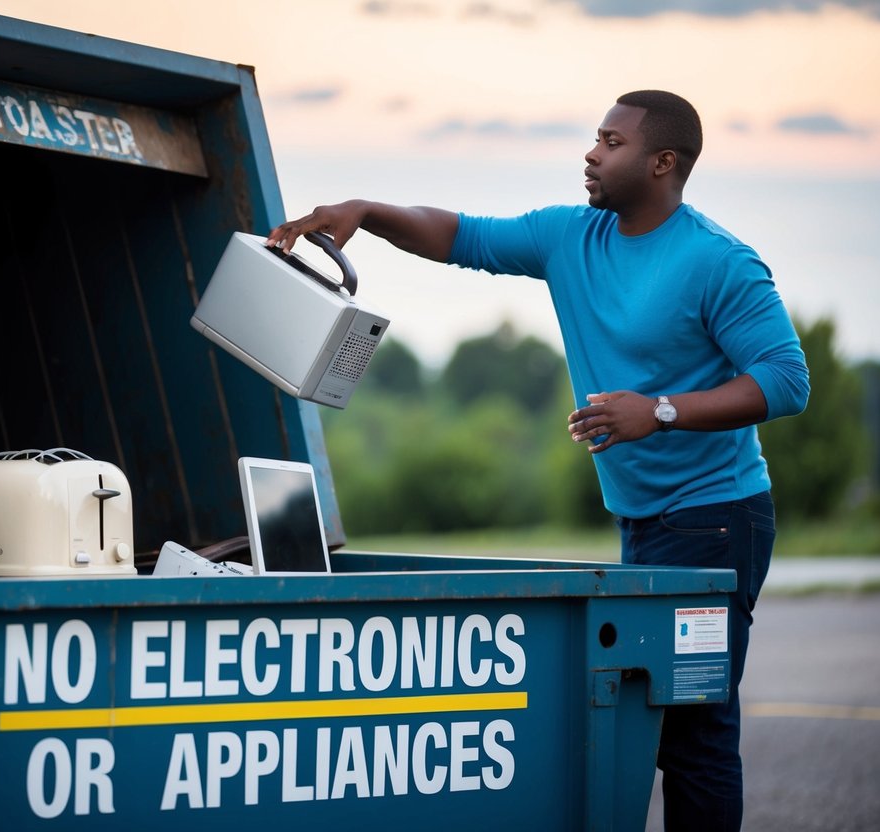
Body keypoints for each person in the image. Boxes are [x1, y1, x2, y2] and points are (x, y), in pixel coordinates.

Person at [266, 90, 810, 831]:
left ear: (662, 163)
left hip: (718, 520)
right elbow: (461, 236)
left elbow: (785, 380)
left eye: (610, 142)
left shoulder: (718, 261)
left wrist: (658, 411)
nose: (591, 153)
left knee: (693, 733)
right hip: (644, 518)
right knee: (654, 725)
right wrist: (366, 209)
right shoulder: (569, 237)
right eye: (594, 138)